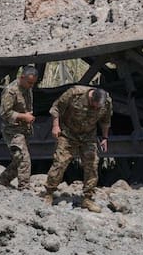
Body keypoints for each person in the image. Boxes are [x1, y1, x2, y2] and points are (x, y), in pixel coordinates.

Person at [45, 85, 112, 213]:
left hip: (88, 136)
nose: (95, 109)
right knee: (60, 163)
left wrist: (105, 137)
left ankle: (87, 198)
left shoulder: (106, 101)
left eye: (98, 108)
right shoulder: (75, 93)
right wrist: (55, 126)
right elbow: (55, 108)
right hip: (68, 134)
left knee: (92, 165)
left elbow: (105, 121)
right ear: (92, 97)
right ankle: (49, 193)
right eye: (93, 105)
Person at [0, 65, 39, 189]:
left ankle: (3, 179)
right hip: (12, 130)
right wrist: (23, 117)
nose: (31, 85)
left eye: (33, 83)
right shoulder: (11, 90)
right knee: (23, 157)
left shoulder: (27, 89)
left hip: (24, 130)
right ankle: (24, 186)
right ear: (22, 77)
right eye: (29, 82)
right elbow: (5, 113)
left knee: (18, 158)